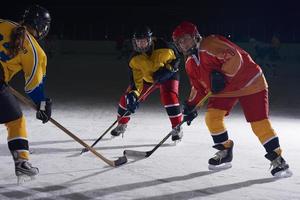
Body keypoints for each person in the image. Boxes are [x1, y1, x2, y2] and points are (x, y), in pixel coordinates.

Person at [172, 21, 292, 177]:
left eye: (185, 38)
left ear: (195, 36)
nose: (183, 44)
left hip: (250, 82)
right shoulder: (190, 64)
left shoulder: (210, 44)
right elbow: (199, 87)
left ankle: (278, 160)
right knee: (212, 118)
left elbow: (235, 59)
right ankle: (225, 151)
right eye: (179, 42)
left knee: (258, 123)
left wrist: (223, 75)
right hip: (227, 89)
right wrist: (191, 106)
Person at [0, 5, 52, 180]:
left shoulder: (3, 23)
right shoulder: (35, 50)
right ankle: (22, 162)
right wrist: (43, 104)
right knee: (15, 120)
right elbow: (34, 86)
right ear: (41, 26)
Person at [110, 25, 183, 141]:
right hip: (147, 79)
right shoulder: (134, 59)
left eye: (143, 41)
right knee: (126, 99)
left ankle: (177, 127)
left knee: (169, 97)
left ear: (150, 39)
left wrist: (168, 69)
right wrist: (133, 95)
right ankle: (121, 124)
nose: (141, 44)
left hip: (168, 76)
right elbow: (135, 82)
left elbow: (177, 59)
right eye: (138, 42)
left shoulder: (164, 46)